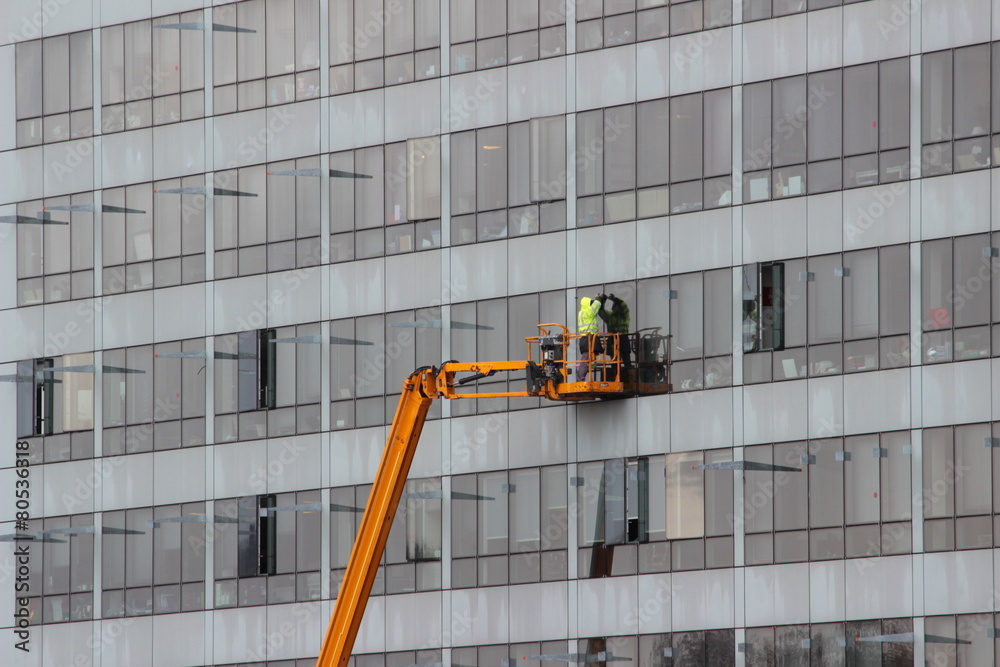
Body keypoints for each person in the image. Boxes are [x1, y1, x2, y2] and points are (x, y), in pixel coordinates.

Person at [577, 293, 606, 381]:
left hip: (587, 338)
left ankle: (582, 377)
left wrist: (601, 300)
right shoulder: (587, 312)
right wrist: (598, 298)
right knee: (586, 359)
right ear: (587, 304)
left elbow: (596, 307)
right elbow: (595, 307)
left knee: (589, 357)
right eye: (590, 303)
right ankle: (580, 379)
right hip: (588, 338)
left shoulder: (582, 313)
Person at [599, 294, 631, 373]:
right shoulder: (610, 316)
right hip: (614, 341)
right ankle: (616, 377)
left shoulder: (623, 316)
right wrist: (603, 301)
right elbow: (601, 311)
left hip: (622, 339)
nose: (615, 307)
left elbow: (624, 306)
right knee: (615, 362)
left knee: (626, 361)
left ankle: (629, 377)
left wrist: (615, 299)